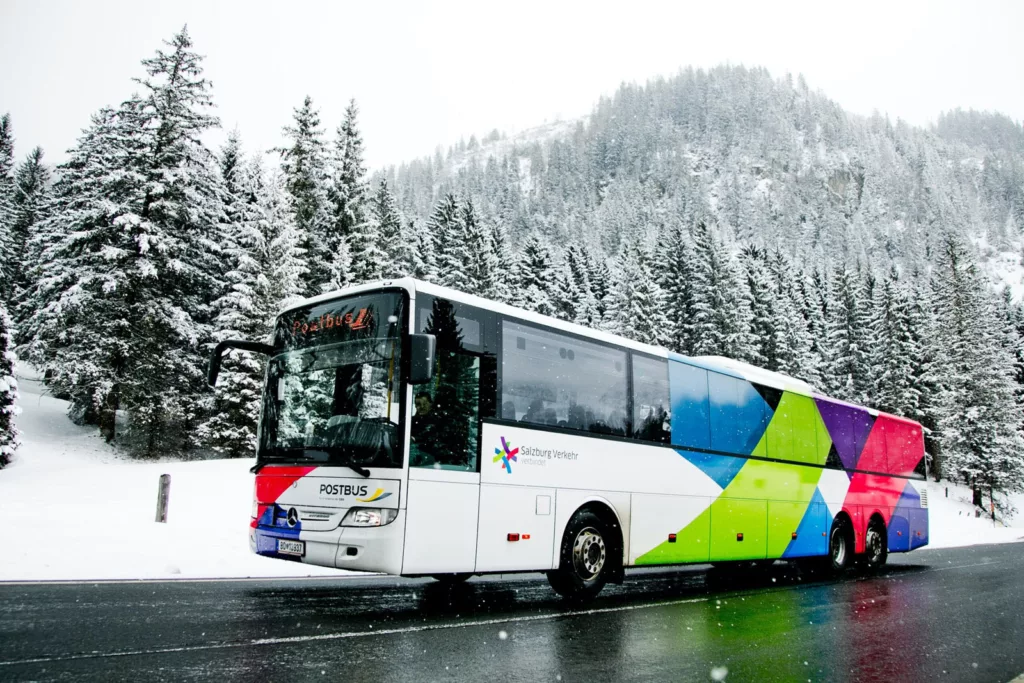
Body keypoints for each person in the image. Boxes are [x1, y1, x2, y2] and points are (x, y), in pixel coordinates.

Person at [410, 391, 437, 465]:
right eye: (418, 404)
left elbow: (429, 434)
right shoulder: (409, 421)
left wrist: (415, 438)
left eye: (424, 404)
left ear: (430, 404)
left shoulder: (436, 420)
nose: (422, 407)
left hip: (431, 463)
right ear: (415, 406)